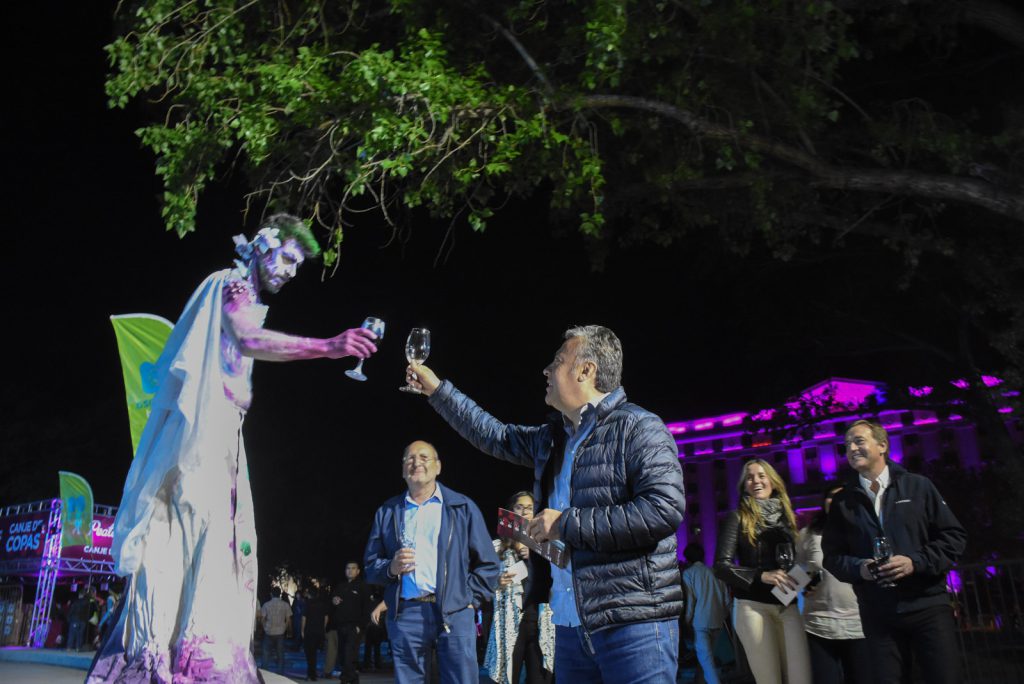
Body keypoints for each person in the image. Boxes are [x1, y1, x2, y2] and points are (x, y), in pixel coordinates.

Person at [88, 213, 378, 682]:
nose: (290, 271)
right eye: (287, 258)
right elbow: (248, 338)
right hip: (204, 433)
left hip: (223, 433)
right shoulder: (232, 286)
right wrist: (329, 346)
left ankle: (187, 653)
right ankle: (177, 657)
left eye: (297, 266)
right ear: (263, 247)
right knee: (192, 534)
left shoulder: (245, 294)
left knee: (213, 543)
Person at [406, 324, 686, 683]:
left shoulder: (639, 427)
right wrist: (437, 390)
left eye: (557, 361)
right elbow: (494, 435)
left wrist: (566, 524)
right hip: (569, 625)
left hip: (633, 625)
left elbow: (663, 510)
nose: (546, 370)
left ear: (586, 370)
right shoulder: (554, 439)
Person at [822, 419, 967, 684]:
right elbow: (832, 557)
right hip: (878, 615)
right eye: (847, 445)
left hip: (928, 607)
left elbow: (953, 537)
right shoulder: (843, 501)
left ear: (882, 446)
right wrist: (861, 569)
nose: (851, 448)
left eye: (859, 441)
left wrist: (915, 562)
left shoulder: (918, 486)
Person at [364, 440, 500, 684]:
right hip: (407, 614)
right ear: (403, 470)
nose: (416, 462)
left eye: (424, 457)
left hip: (455, 613)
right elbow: (370, 566)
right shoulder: (388, 511)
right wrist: (391, 568)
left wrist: (470, 599)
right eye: (410, 458)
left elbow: (489, 563)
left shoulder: (462, 507)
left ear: (438, 467)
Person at [714, 459, 811, 684]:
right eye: (749, 477)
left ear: (773, 482)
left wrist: (806, 579)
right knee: (769, 680)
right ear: (744, 486)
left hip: (787, 604)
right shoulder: (737, 517)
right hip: (753, 607)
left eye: (761, 475)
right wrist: (761, 576)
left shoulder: (787, 520)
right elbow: (721, 566)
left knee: (801, 677)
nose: (756, 481)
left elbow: (792, 564)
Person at [796, 485, 869, 684]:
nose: (835, 500)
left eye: (841, 496)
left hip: (858, 624)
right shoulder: (808, 534)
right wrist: (802, 585)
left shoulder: (863, 532)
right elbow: (797, 569)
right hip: (819, 624)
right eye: (830, 496)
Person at [485, 491, 554, 684]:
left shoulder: (547, 547)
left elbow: (559, 577)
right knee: (507, 677)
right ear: (511, 511)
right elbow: (482, 580)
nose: (524, 512)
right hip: (509, 624)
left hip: (540, 623)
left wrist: (535, 554)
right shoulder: (497, 547)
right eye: (519, 507)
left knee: (540, 679)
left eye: (529, 508)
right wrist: (497, 581)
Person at [681, 543, 730, 684]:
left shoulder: (688, 574)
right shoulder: (715, 572)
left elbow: (690, 601)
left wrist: (687, 620)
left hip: (700, 622)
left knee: (707, 662)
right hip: (717, 621)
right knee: (707, 660)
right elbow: (727, 600)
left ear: (688, 559)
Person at [330, 561, 372, 683]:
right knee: (343, 656)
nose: (350, 570)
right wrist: (334, 600)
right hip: (341, 626)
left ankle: (344, 680)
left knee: (349, 655)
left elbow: (367, 608)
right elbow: (333, 601)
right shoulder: (340, 586)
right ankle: (354, 679)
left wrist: (360, 626)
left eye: (353, 568)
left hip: (354, 627)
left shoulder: (363, 586)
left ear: (358, 571)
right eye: (348, 568)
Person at [261, 587, 292, 673]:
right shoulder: (285, 605)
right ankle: (280, 673)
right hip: (280, 632)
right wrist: (286, 628)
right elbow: (288, 619)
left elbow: (262, 619)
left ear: (271, 594)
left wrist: (264, 627)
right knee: (280, 655)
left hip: (269, 632)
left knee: (266, 654)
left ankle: (265, 673)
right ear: (280, 594)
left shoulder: (266, 605)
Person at [304, 587, 330, 681]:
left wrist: (302, 630)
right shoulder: (322, 604)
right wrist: (323, 628)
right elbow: (326, 617)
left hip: (309, 631)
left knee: (309, 654)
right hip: (319, 631)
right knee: (314, 653)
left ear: (309, 594)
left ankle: (310, 674)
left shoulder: (307, 604)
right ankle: (313, 674)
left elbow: (304, 618)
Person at [360, 587, 387, 671]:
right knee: (376, 647)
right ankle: (375, 663)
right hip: (376, 626)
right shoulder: (378, 601)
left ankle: (368, 663)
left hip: (371, 626)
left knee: (369, 647)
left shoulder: (370, 602)